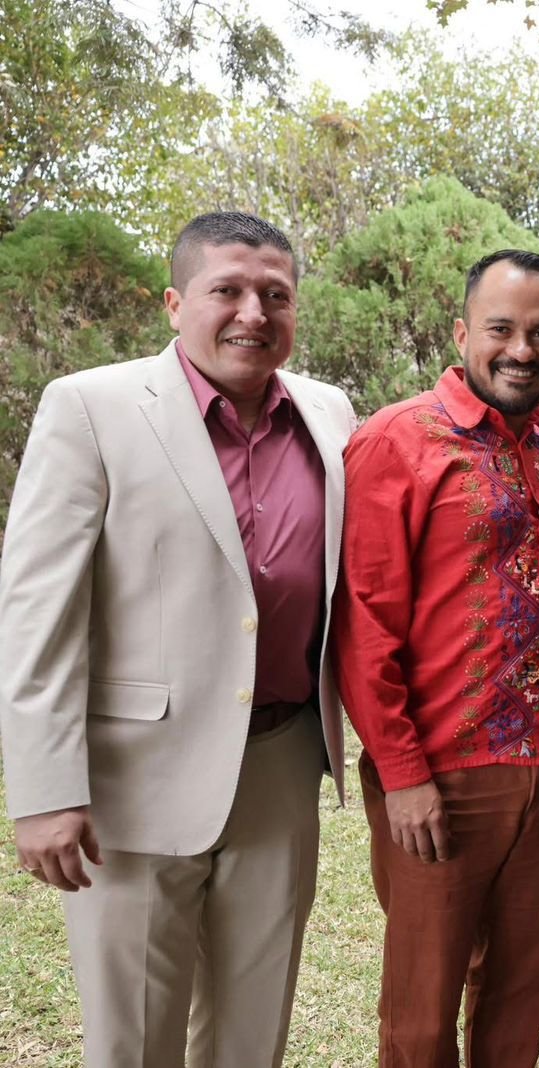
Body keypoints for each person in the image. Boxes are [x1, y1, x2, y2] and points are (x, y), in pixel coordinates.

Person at [0, 211, 357, 1068]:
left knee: (251, 1037)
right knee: (135, 1040)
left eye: (275, 295)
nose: (253, 313)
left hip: (281, 764)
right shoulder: (90, 407)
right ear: (174, 303)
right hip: (134, 778)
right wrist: (44, 791)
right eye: (226, 290)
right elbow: (37, 612)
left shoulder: (331, 414)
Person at [333, 249, 539, 1066]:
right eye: (501, 329)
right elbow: (364, 624)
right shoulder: (398, 440)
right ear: (461, 332)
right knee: (422, 1011)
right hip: (446, 773)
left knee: (524, 994)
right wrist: (402, 775)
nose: (522, 350)